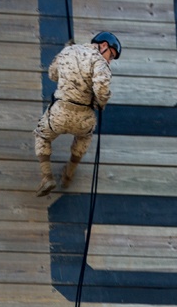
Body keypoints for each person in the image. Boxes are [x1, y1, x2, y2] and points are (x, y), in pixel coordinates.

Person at [34, 31, 121, 197]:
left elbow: (52, 74)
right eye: (111, 55)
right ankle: (69, 173)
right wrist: (101, 104)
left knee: (42, 136)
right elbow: (101, 91)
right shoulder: (100, 63)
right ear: (103, 45)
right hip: (83, 116)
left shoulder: (68, 51)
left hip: (59, 112)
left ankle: (46, 176)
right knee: (84, 137)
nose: (110, 60)